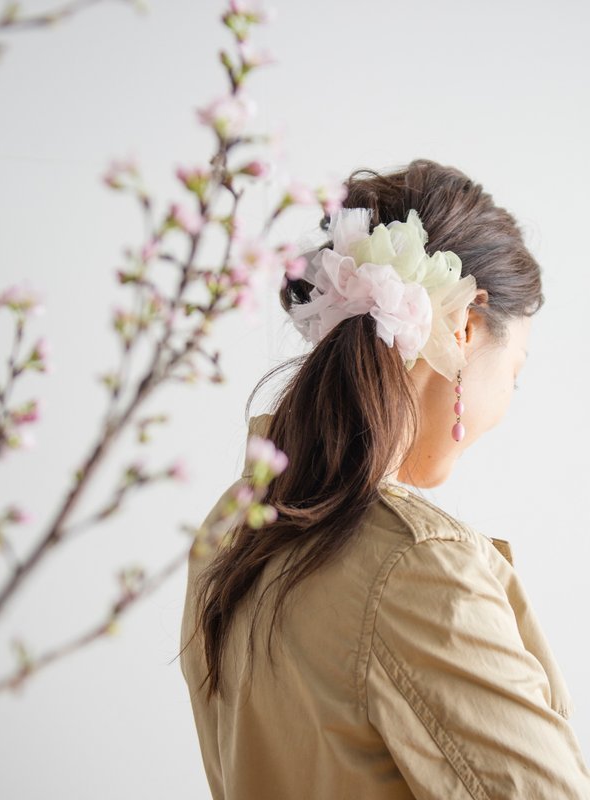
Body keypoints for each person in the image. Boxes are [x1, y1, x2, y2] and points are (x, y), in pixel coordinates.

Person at [178, 158, 590, 799]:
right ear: (464, 326)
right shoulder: (419, 566)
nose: (509, 398)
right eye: (514, 372)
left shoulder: (233, 523)